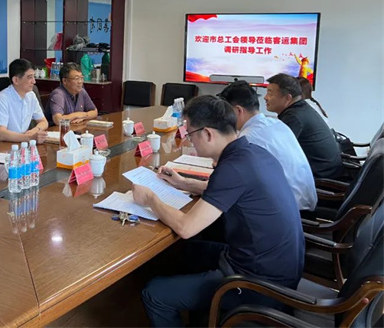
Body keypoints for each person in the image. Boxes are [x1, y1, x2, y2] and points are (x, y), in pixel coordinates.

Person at [133, 95, 304, 327]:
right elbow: (231, 190)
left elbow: (186, 227)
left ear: (208, 133)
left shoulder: (233, 168)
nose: (190, 141)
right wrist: (183, 183)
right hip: (276, 266)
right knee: (184, 253)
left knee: (154, 294)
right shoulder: (253, 152)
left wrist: (150, 198)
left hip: (258, 284)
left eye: (190, 134)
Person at [218, 80, 317, 213]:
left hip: (290, 210)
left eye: (226, 114)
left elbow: (230, 184)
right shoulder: (276, 124)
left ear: (238, 110)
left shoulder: (249, 138)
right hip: (303, 201)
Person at [265, 73, 343, 179]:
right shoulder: (301, 109)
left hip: (321, 178)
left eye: (270, 94)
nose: (265, 97)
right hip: (327, 171)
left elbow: (277, 151)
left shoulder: (294, 117)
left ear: (287, 98)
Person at [0, 59, 49, 144]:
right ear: (16, 80)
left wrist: (35, 130)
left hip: (20, 142)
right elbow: (1, 134)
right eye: (30, 77)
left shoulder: (31, 95)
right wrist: (29, 138)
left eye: (34, 77)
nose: (34, 81)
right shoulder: (2, 99)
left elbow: (44, 122)